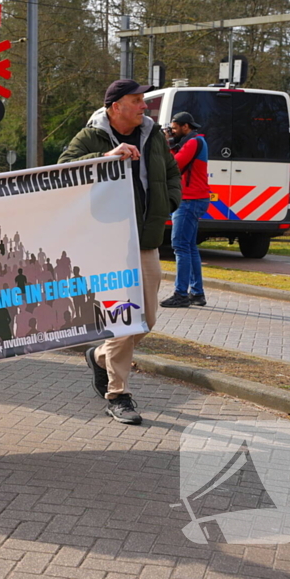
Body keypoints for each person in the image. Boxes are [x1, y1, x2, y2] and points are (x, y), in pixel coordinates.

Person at [59, 79, 180, 425]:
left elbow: (171, 172)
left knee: (147, 318)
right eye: (137, 100)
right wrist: (105, 157)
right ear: (115, 107)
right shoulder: (90, 136)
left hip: (145, 238)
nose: (145, 106)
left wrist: (169, 201)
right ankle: (119, 393)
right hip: (107, 242)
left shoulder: (153, 134)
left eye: (144, 100)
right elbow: (64, 170)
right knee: (124, 317)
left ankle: (98, 355)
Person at [161, 111, 211, 308]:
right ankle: (197, 293)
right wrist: (173, 143)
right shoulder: (193, 142)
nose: (172, 132)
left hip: (189, 200)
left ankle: (181, 294)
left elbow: (175, 165)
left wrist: (167, 144)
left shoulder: (193, 142)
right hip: (193, 199)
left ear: (185, 127)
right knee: (189, 247)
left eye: (174, 128)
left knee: (180, 246)